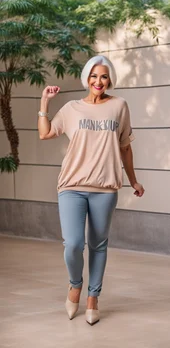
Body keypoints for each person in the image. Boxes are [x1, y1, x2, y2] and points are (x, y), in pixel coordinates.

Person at [38, 55, 145, 325]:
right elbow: (45, 133)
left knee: (98, 245)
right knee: (73, 244)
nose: (99, 81)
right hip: (71, 185)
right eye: (94, 76)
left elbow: (125, 147)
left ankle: (93, 297)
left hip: (105, 187)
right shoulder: (72, 108)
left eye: (104, 76)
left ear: (110, 80)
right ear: (87, 78)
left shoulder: (119, 106)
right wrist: (44, 102)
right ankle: (75, 285)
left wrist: (133, 180)